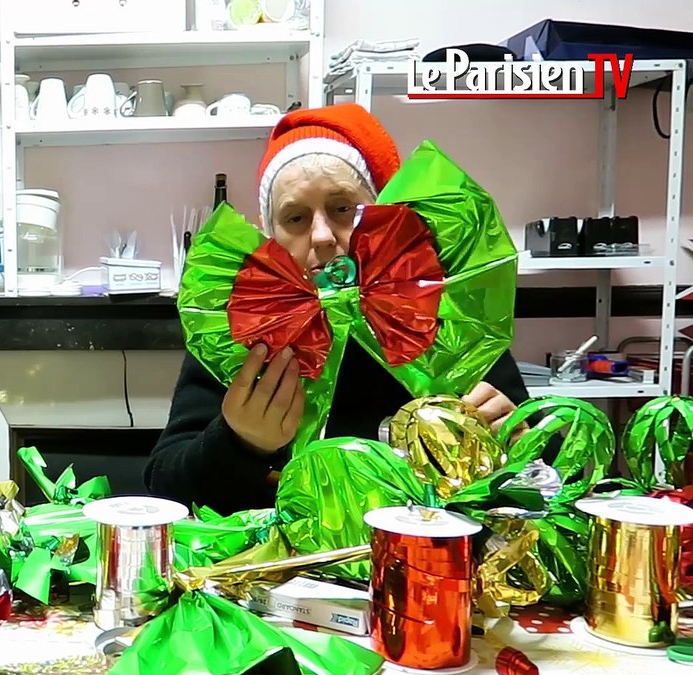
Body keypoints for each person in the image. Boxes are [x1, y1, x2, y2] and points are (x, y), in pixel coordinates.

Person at [145, 104, 531, 515]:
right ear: (271, 239)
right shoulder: (241, 334)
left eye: (343, 208)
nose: (322, 236)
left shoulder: (441, 317)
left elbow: (547, 467)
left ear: (387, 216)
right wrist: (241, 442)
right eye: (295, 217)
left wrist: (517, 442)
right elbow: (165, 487)